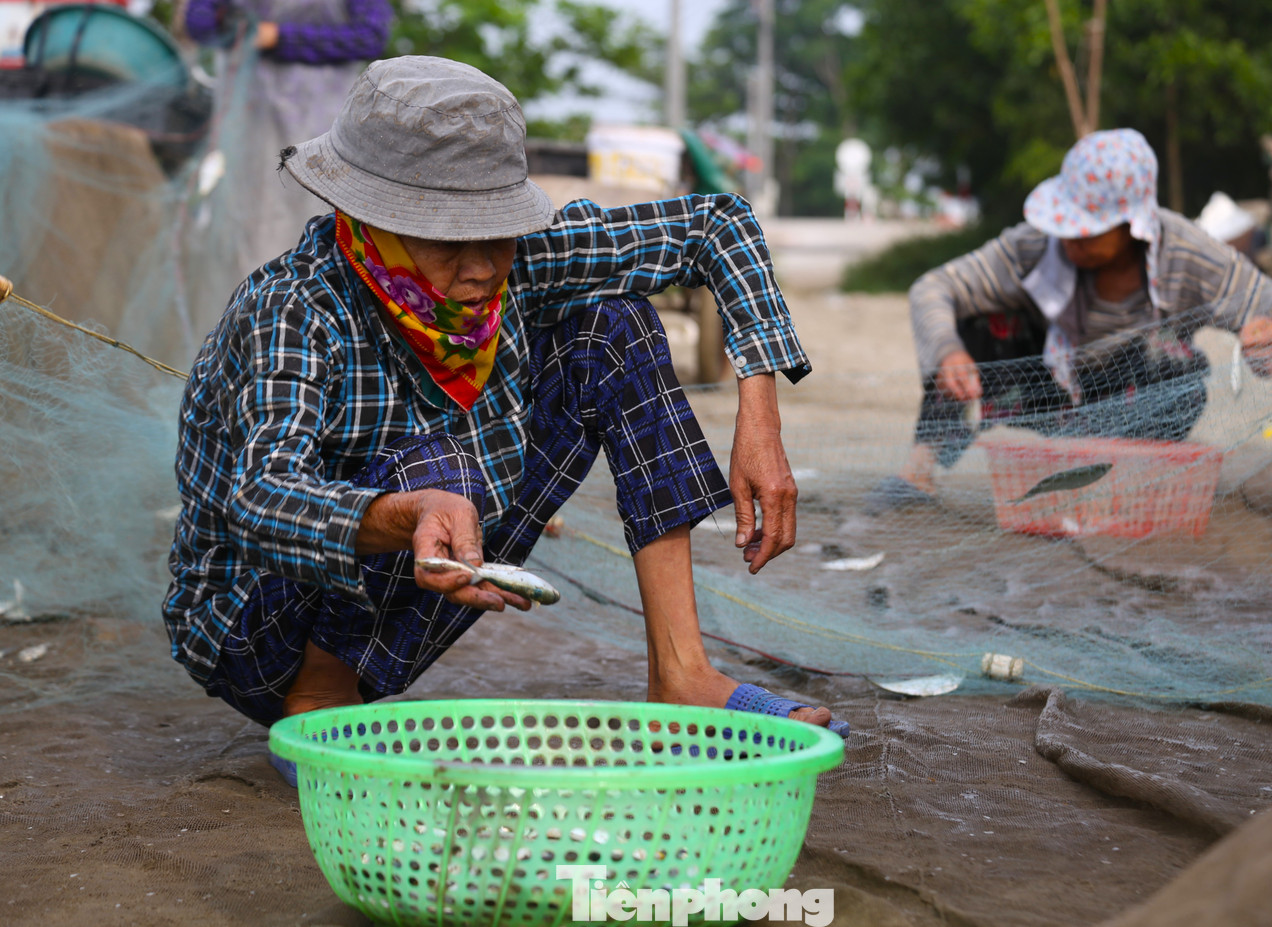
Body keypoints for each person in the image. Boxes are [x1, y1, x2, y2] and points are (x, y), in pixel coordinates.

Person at [161, 57, 845, 782]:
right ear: (370, 220)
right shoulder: (294, 309)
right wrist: (410, 510)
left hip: (428, 564)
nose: (483, 266)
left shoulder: (524, 263)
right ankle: (319, 694)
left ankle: (683, 674)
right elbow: (260, 496)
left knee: (612, 324)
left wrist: (760, 417)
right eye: (450, 238)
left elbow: (717, 225)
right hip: (257, 629)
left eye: (498, 232)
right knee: (442, 467)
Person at [870, 128, 1272, 509]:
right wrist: (948, 352)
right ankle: (919, 471)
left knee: (1178, 369)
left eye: (1087, 231)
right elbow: (934, 288)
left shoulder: (1186, 253)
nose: (1070, 240)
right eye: (1066, 226)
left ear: (1132, 226)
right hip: (1041, 388)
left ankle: (1120, 484)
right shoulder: (1034, 244)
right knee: (975, 327)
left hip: (1132, 400)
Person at [184, 0, 393, 275]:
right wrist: (227, 24)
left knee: (306, 223)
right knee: (240, 225)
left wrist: (280, 37)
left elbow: (370, 35)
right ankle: (242, 305)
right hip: (247, 118)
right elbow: (198, 20)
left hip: (317, 121)